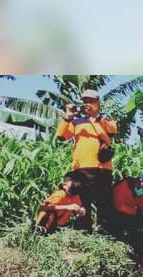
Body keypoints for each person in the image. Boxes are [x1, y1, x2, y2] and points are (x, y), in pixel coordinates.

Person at [55, 89, 117, 232]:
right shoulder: (76, 122)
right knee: (83, 200)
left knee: (104, 201)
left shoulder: (106, 121)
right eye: (85, 101)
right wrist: (68, 116)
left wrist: (95, 117)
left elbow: (112, 133)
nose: (87, 104)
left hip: (104, 168)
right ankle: (84, 231)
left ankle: (105, 230)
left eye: (91, 101)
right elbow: (61, 137)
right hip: (82, 167)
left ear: (98, 103)